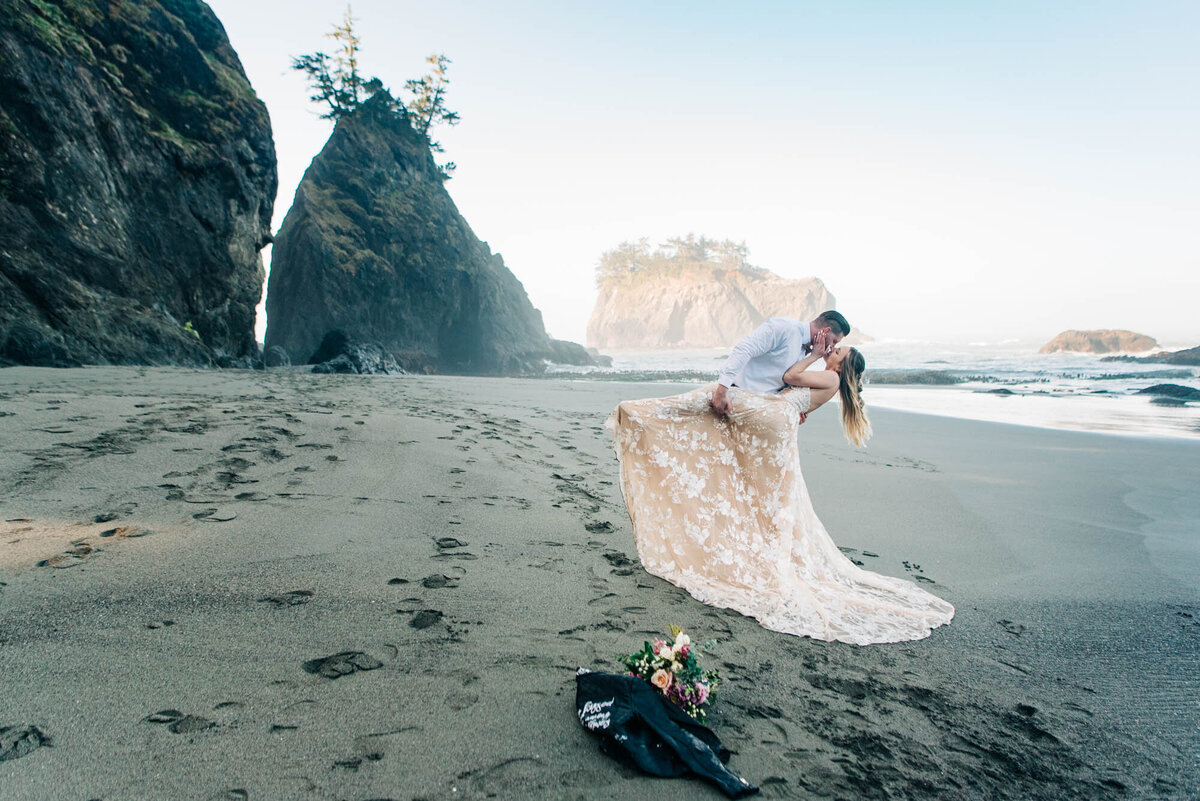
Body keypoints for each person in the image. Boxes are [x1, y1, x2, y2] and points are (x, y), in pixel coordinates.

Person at [609, 314, 953, 644]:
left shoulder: (830, 377)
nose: (832, 349)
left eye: (838, 350)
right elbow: (791, 391)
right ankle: (645, 418)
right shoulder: (812, 359)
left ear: (841, 365)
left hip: (772, 417)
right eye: (835, 343)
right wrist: (800, 389)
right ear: (828, 328)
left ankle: (640, 414)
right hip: (776, 417)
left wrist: (815, 357)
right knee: (756, 486)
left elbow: (789, 377)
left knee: (705, 407)